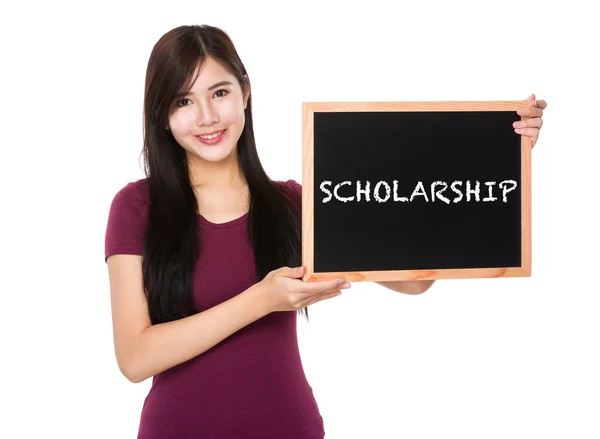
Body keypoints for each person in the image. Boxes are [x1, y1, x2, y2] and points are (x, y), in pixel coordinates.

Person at [104, 24, 547, 439]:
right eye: (183, 101)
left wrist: (495, 150)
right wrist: (261, 300)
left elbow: (415, 280)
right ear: (161, 115)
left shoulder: (296, 204)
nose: (205, 116)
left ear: (245, 92)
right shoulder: (138, 207)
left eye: (219, 92)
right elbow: (136, 357)